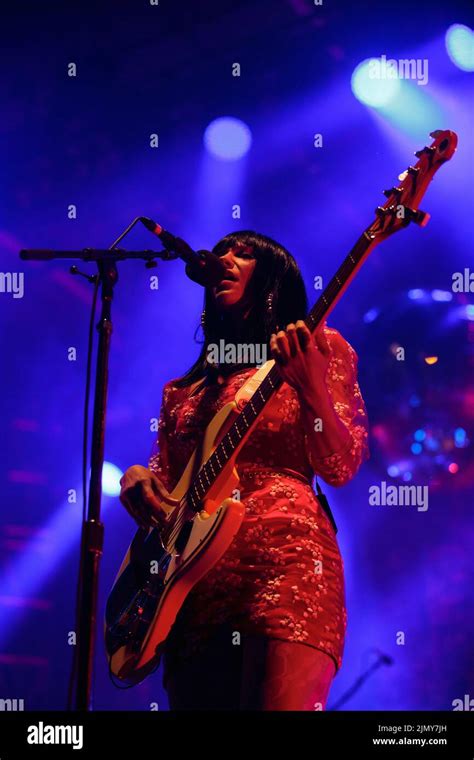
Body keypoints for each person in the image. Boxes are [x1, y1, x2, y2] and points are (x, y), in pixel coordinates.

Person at [119, 230, 369, 710]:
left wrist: (312, 384)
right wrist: (138, 476)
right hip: (192, 588)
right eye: (223, 250)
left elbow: (341, 465)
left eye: (245, 253)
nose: (225, 258)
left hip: (285, 564)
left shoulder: (319, 348)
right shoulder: (182, 394)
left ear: (275, 278)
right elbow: (166, 495)